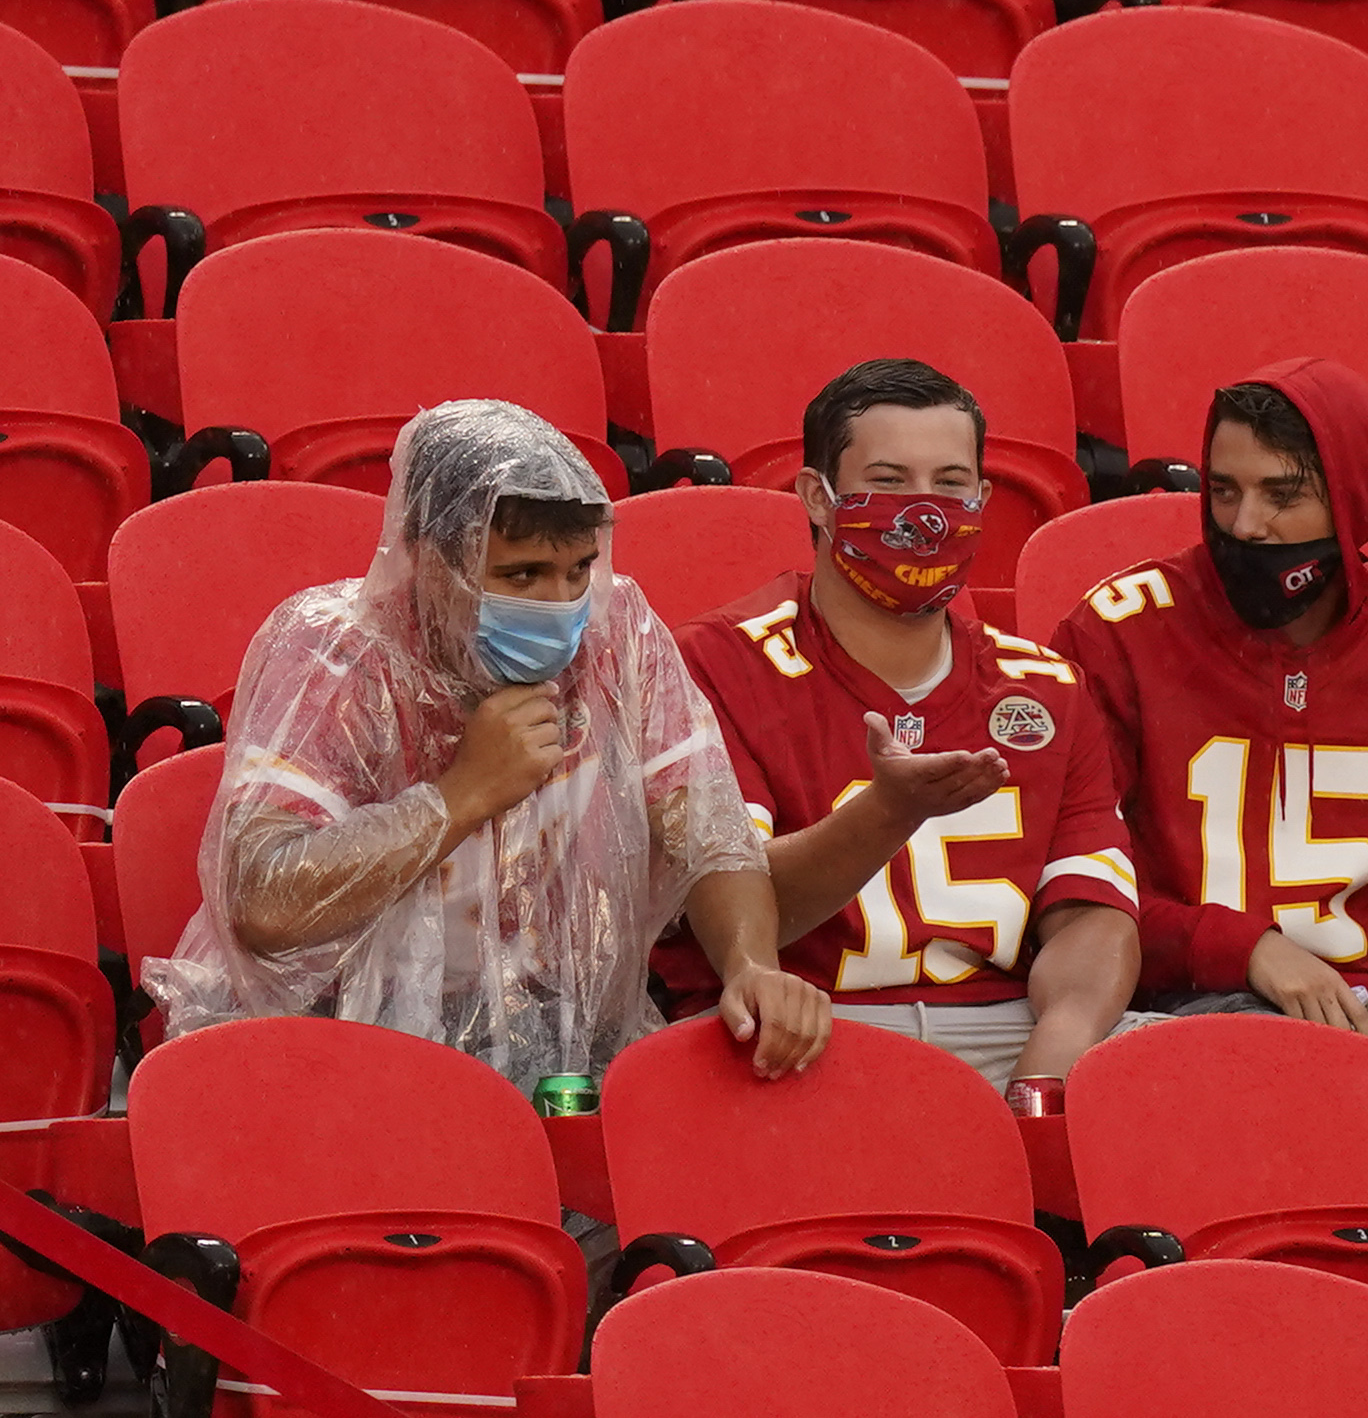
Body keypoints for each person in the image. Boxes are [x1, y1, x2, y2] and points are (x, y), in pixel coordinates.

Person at [148, 399, 828, 1090]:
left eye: (577, 570)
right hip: (326, 1050)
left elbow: (707, 831)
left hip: (553, 1040)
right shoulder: (334, 649)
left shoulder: (618, 629)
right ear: (428, 557)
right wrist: (462, 795)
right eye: (521, 575)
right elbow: (264, 907)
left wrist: (750, 965)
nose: (560, 604)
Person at [1050, 360, 1368, 1114]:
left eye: (1282, 495)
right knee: (1313, 1084)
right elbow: (1074, 891)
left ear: (1352, 499)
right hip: (1193, 1003)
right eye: (1224, 490)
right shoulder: (1119, 629)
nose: (1246, 525)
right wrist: (1248, 951)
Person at [668, 359, 1142, 1097]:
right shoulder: (714, 662)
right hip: (806, 1031)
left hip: (1013, 1025)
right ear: (816, 498)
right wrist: (889, 811)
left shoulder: (1047, 686)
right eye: (888, 483)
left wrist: (1048, 1073)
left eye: (950, 485)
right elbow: (733, 909)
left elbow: (1092, 913)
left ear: (983, 498)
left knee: (1217, 1076)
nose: (923, 512)